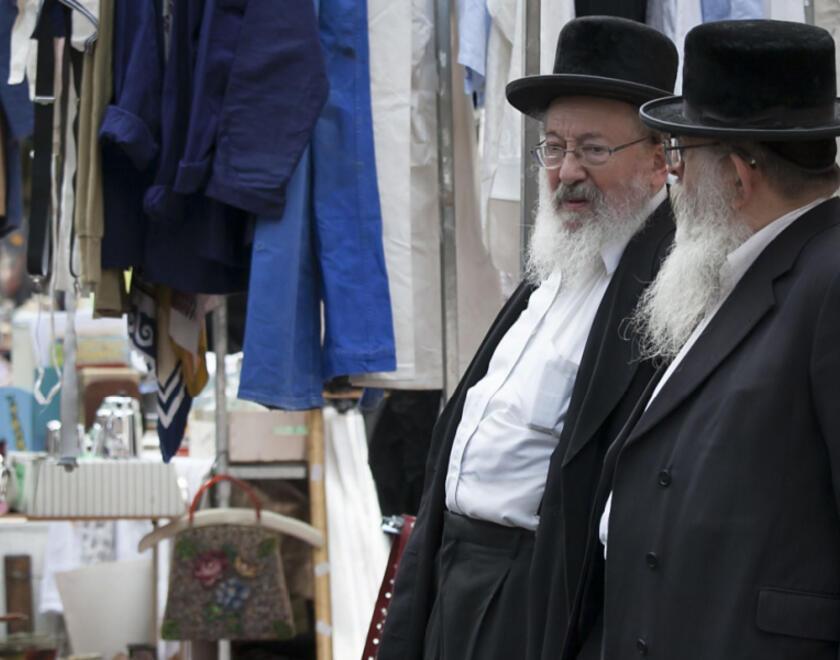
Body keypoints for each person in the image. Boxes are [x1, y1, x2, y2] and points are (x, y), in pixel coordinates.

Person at [377, 17, 678, 660]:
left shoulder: (663, 297)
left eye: (594, 149)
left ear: (659, 162)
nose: (566, 171)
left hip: (532, 596)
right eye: (554, 147)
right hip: (451, 575)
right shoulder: (552, 270)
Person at [564, 19, 840, 660]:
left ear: (740, 178)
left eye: (681, 157)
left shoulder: (829, 277)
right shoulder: (743, 266)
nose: (673, 180)